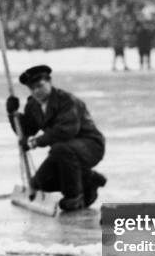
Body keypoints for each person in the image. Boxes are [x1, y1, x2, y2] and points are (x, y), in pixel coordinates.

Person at [6, 65, 106, 211]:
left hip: (90, 146)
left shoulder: (66, 100)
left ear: (49, 82)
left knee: (61, 148)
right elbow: (26, 130)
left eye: (40, 86)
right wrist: (12, 114)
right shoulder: (33, 105)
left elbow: (66, 130)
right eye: (32, 88)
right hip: (63, 152)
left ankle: (74, 197)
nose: (36, 91)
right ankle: (88, 180)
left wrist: (35, 142)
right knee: (39, 184)